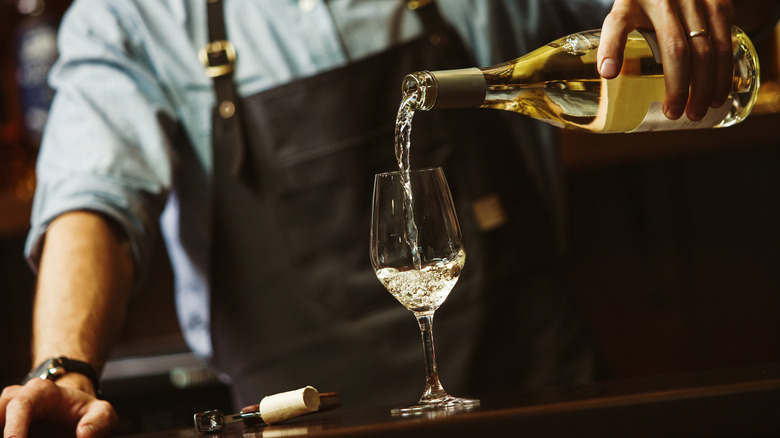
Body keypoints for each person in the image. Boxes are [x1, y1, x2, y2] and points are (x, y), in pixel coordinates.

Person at [1, 0, 739, 436]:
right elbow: (88, 193)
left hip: (544, 407)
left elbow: (687, 23)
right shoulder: (130, 15)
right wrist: (62, 367)